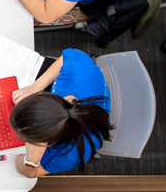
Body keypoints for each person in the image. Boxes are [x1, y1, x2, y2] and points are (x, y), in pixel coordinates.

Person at [9, 49, 114, 177]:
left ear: (47, 142)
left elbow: (31, 173)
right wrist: (36, 86)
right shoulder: (77, 71)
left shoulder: (67, 155)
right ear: (45, 96)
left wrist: (32, 160)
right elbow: (68, 56)